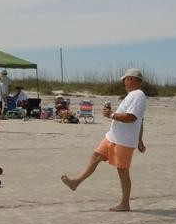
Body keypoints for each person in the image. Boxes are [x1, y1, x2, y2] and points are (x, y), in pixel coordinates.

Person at [61, 68, 147, 211]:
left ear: (130, 80)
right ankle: (76, 182)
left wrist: (111, 115)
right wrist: (140, 139)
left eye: (125, 80)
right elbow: (140, 120)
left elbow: (132, 118)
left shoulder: (138, 95)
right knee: (96, 156)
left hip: (124, 140)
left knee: (122, 170)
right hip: (113, 136)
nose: (123, 83)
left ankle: (125, 203)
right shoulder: (132, 95)